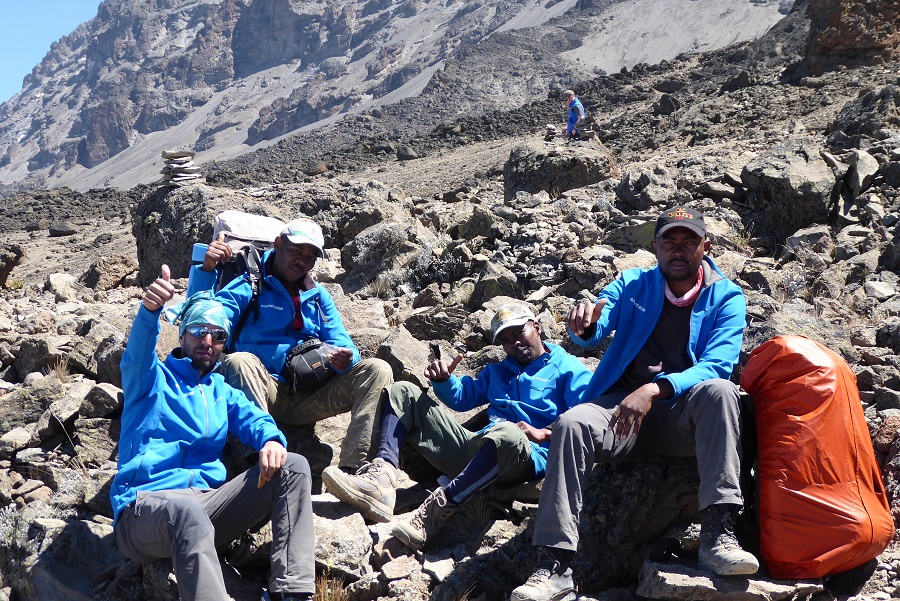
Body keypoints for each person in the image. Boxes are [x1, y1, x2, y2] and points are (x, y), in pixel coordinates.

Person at [510, 206, 758, 601]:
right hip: (621, 416)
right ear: (655, 247)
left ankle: (718, 536)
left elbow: (718, 365)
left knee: (722, 392)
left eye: (689, 241)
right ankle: (553, 565)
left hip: (682, 417)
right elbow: (597, 322)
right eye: (669, 241)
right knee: (573, 423)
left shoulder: (726, 297)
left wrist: (653, 390)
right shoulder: (633, 284)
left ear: (705, 246)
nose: (679, 250)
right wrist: (586, 322)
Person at [110, 265, 315, 601]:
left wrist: (272, 440)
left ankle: (290, 592)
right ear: (182, 335)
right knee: (185, 513)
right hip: (143, 512)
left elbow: (255, 419)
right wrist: (149, 312)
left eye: (218, 335)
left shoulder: (222, 390)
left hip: (206, 506)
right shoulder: (151, 380)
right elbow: (136, 356)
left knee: (292, 466)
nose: (207, 341)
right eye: (198, 331)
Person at [322, 303, 592, 551]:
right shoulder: (499, 371)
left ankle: (438, 509)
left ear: (537, 326)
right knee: (404, 391)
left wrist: (543, 433)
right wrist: (444, 381)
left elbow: (587, 413)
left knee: (507, 432)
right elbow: (463, 398)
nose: (514, 343)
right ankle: (381, 477)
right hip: (479, 446)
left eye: (518, 332)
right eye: (505, 341)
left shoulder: (566, 367)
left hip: (525, 456)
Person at [188, 217, 394, 472]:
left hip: (307, 392)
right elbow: (203, 320)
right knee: (241, 361)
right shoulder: (250, 285)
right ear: (277, 244)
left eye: (310, 257)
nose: (302, 261)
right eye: (295, 251)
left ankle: (356, 471)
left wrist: (345, 359)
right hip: (262, 388)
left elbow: (343, 343)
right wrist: (205, 270)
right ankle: (257, 465)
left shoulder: (318, 296)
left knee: (377, 370)